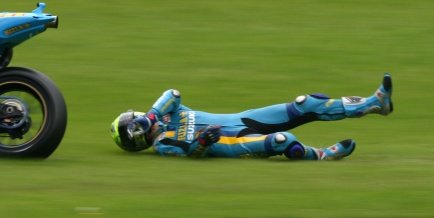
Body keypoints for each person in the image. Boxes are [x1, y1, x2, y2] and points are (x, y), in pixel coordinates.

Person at [110, 73, 393, 160]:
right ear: (135, 137)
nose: (138, 121)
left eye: (134, 117)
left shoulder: (169, 113)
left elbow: (172, 92)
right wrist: (204, 142)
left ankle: (373, 104)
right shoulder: (162, 145)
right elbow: (191, 153)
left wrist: (149, 115)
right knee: (284, 141)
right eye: (134, 123)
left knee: (306, 103)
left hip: (244, 118)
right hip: (234, 143)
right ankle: (322, 155)